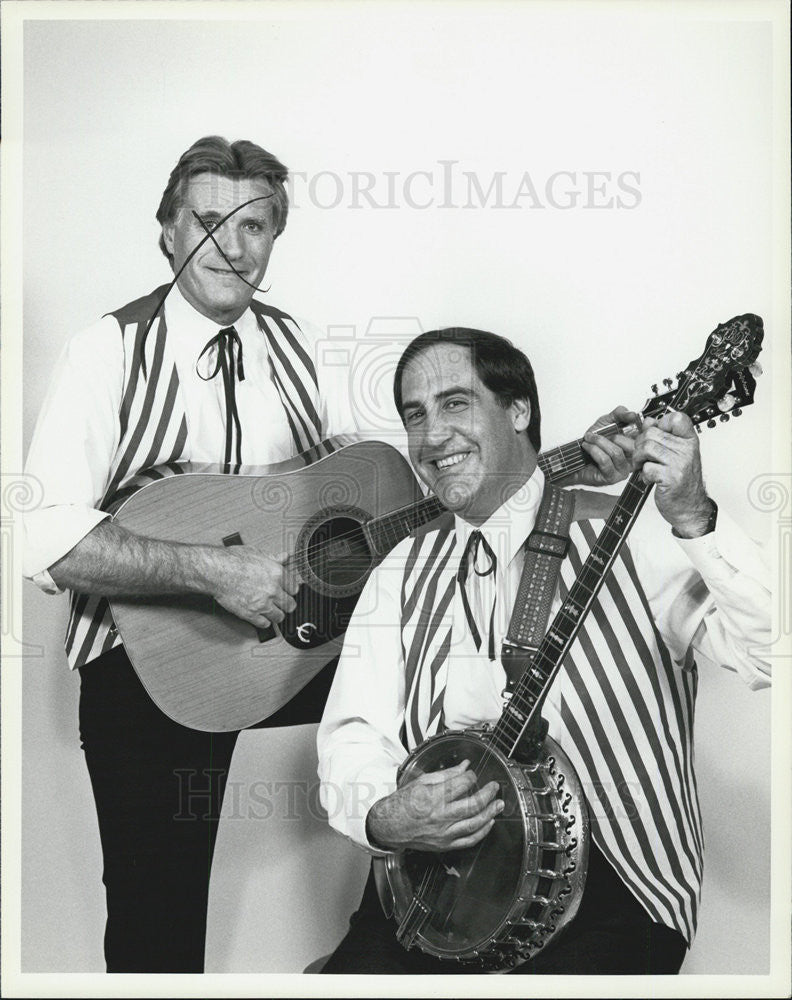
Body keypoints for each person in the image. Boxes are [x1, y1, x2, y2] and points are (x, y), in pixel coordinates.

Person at [316, 327, 770, 974]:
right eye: (414, 415)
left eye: (455, 403)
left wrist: (694, 513)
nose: (431, 436)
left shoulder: (631, 530)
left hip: (609, 894)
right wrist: (385, 817)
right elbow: (351, 738)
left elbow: (770, 653)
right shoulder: (399, 569)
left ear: (519, 410)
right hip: (430, 884)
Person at [22, 135, 361, 973]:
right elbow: (45, 537)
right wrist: (216, 570)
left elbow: (354, 483)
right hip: (146, 671)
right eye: (209, 221)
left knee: (443, 685)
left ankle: (401, 947)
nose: (232, 248)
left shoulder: (301, 348)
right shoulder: (106, 351)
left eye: (256, 228)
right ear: (168, 231)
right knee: (158, 926)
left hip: (281, 648)